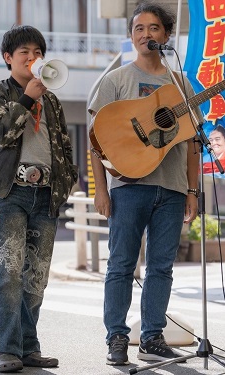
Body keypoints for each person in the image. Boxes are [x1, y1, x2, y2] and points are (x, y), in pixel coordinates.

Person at [88, 1, 201, 366]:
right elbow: (96, 139)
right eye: (138, 28)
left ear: (166, 35)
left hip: (170, 188)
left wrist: (192, 190)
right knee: (121, 264)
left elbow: (191, 143)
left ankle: (152, 337)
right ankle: (117, 337)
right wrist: (100, 189)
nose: (145, 34)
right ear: (131, 35)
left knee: (161, 267)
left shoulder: (180, 83)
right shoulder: (116, 80)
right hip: (127, 187)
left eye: (153, 28)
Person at [0, 25, 78, 373]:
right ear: (8, 58)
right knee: (7, 273)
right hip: (8, 193)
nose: (33, 58)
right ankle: (5, 350)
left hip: (45, 196)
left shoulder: (51, 99)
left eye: (38, 52)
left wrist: (66, 182)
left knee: (35, 276)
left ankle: (27, 346)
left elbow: (64, 146)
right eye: (24, 52)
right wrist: (26, 98)